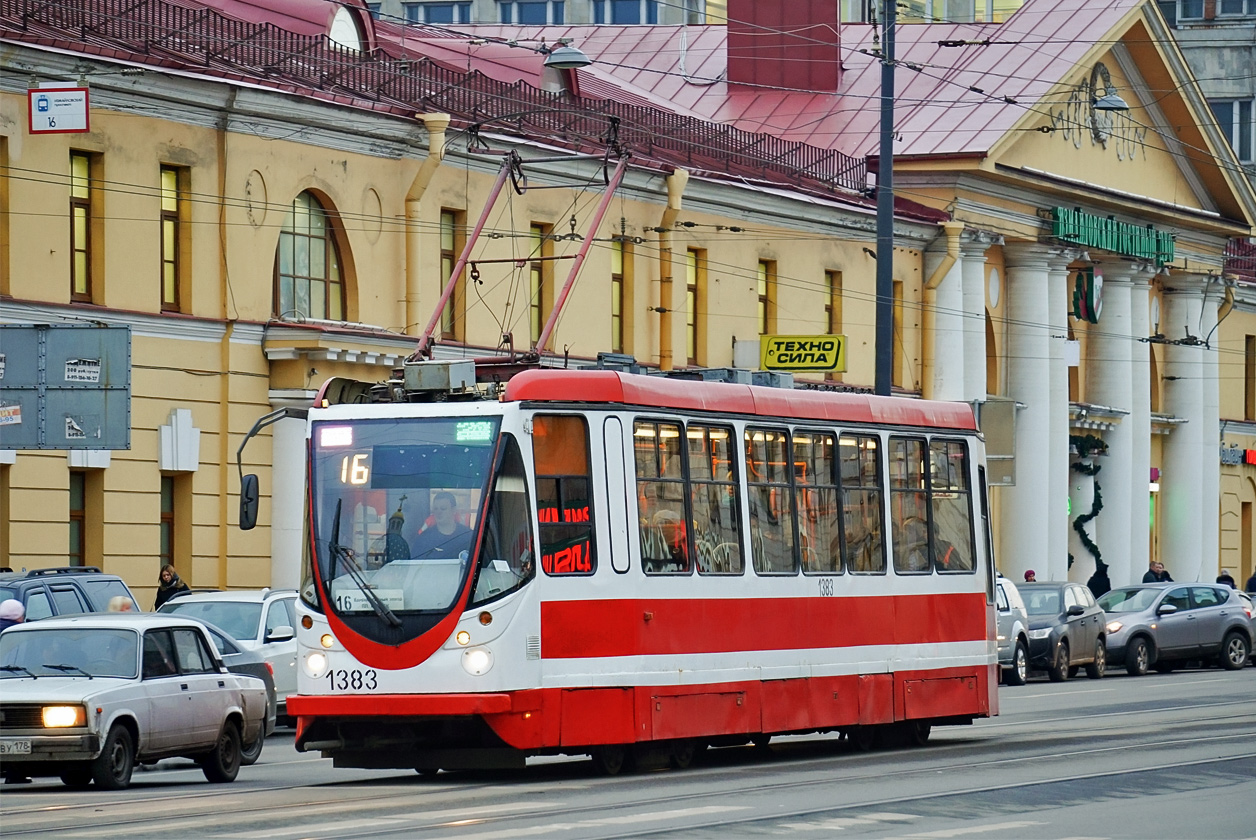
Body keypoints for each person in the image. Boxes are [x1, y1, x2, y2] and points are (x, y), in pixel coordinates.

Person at [411, 492, 473, 560]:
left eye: (443, 508)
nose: (438, 512)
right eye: (435, 509)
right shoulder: (423, 539)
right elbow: (415, 566)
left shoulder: (469, 536)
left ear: (454, 510)